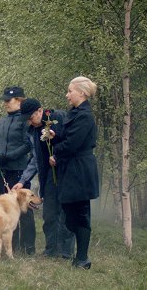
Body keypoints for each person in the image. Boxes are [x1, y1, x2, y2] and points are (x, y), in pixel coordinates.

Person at [13, 98, 75, 259]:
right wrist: (22, 180)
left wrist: (58, 156)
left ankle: (65, 251)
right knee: (49, 213)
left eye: (31, 117)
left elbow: (73, 142)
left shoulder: (59, 118)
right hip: (48, 176)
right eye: (26, 119)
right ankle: (50, 249)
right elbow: (34, 159)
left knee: (65, 213)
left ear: (40, 111)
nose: (29, 121)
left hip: (67, 172)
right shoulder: (32, 131)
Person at [49, 76, 99, 269]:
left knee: (80, 212)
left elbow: (72, 144)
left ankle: (82, 258)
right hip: (71, 167)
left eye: (70, 91)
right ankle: (80, 257)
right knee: (71, 212)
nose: (67, 94)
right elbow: (68, 139)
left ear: (82, 93)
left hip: (80, 169)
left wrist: (57, 151)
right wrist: (55, 135)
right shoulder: (75, 113)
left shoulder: (85, 116)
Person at [0, 86, 35, 254]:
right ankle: (13, 246)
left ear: (19, 100)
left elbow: (27, 144)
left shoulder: (25, 120)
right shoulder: (2, 121)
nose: (5, 104)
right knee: (8, 209)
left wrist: (9, 156)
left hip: (19, 171)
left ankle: (28, 247)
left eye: (8, 101)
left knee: (24, 209)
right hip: (3, 171)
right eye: (4, 101)